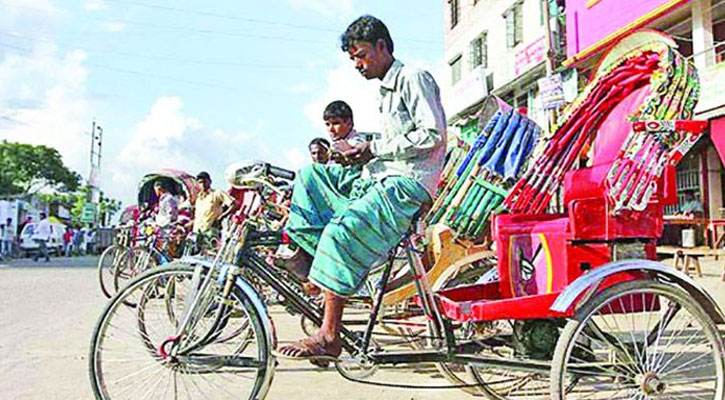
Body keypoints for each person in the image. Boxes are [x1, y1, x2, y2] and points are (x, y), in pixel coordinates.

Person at [276, 15, 446, 362]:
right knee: (311, 177)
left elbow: (432, 134)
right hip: (381, 175)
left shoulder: (413, 78)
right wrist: (360, 155)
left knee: (340, 233)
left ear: (382, 47)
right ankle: (313, 263)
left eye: (362, 55)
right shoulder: (384, 91)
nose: (357, 64)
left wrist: (374, 148)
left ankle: (329, 335)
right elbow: (392, 143)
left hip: (407, 185)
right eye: (352, 58)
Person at [192, 172, 236, 248]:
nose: (202, 185)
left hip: (211, 231)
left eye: (204, 182)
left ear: (210, 181)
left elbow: (233, 204)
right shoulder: (198, 198)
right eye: (200, 182)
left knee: (210, 254)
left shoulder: (217, 193)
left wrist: (221, 217)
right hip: (197, 232)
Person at [323, 100, 367, 165]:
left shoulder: (355, 143)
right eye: (327, 124)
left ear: (349, 123)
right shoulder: (335, 146)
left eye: (336, 123)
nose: (331, 129)